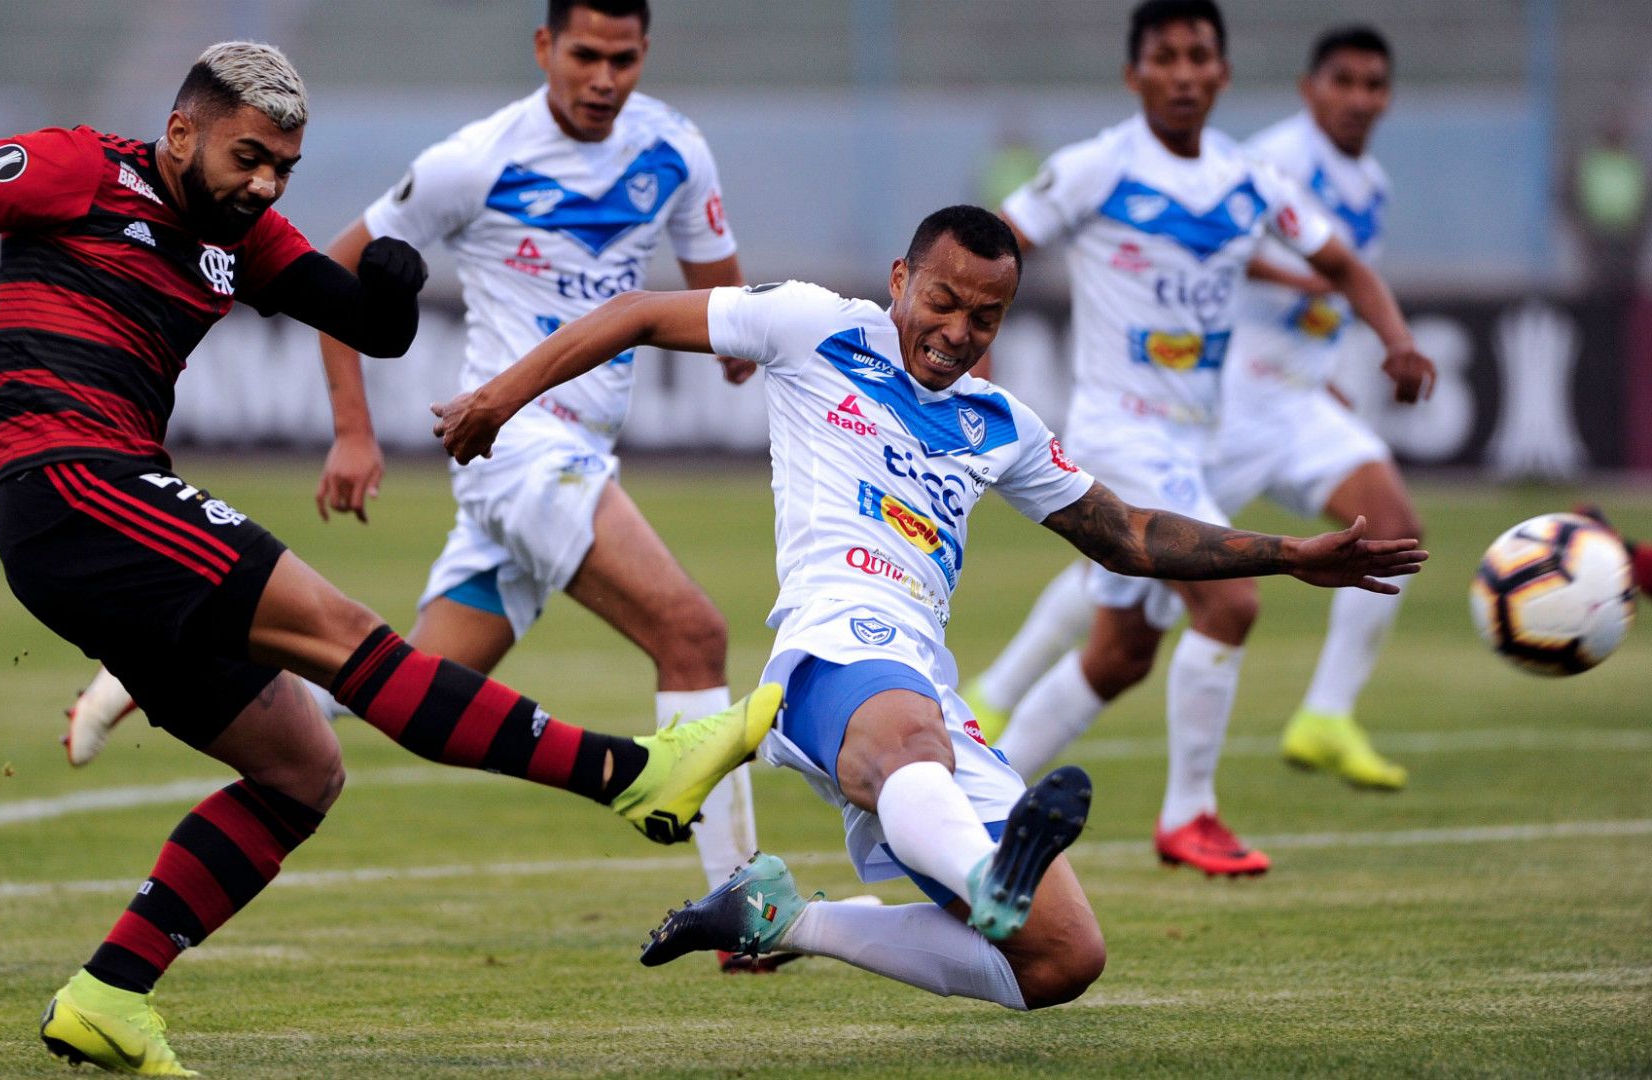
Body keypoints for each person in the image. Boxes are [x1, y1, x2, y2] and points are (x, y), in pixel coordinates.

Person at [0, 41, 774, 1076]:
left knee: (301, 769)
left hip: (101, 515)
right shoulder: (76, 168)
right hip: (75, 485)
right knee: (347, 638)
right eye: (248, 157)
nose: (266, 184)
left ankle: (108, 995)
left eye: (284, 165)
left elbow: (367, 322)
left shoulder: (251, 238)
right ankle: (630, 774)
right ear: (181, 133)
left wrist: (399, 286)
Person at [432, 205, 1426, 1010]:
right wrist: (498, 397)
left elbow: (1128, 536)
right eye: (942, 301)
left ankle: (786, 919)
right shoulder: (815, 326)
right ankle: (988, 882)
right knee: (913, 747)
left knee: (1064, 960)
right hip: (832, 651)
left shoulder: (1002, 425)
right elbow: (640, 314)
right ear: (901, 280)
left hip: (927, 692)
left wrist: (1293, 554)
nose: (955, 333)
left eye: (985, 319)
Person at [59, 0, 770, 952]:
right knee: (693, 631)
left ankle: (162, 672)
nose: (605, 78)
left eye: (625, 59)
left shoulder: (675, 149)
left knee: (409, 686)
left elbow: (718, 291)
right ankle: (742, 913)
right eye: (586, 55)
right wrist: (353, 432)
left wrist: (743, 346)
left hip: (582, 453)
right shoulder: (473, 161)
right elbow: (332, 271)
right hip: (514, 447)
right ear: (544, 49)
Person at [960, 0, 1437, 877]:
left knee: (1119, 657)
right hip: (1117, 432)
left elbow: (1344, 265)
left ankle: (979, 805)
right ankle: (1189, 816)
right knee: (1232, 601)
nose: (1184, 74)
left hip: (1192, 437)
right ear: (1134, 73)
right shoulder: (1099, 167)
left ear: (1222, 73)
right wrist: (975, 345)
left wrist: (1395, 340)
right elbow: (993, 241)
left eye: (1199, 58)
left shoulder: (1248, 179)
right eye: (1166, 58)